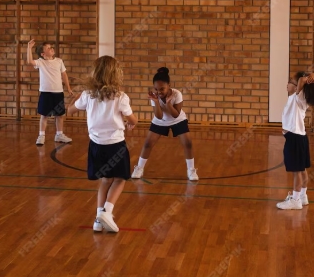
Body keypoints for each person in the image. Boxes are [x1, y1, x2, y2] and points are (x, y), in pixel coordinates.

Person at [68, 56, 138, 233]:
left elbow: (69, 111)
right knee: (120, 179)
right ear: (116, 74)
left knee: (105, 180)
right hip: (115, 145)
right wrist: (131, 123)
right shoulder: (120, 96)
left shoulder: (87, 95)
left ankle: (98, 221)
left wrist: (75, 99)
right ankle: (107, 211)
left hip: (96, 145)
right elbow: (132, 119)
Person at [131, 67, 198, 181]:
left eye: (162, 89)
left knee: (188, 143)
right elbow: (159, 116)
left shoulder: (177, 94)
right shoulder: (154, 96)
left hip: (178, 119)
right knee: (148, 144)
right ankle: (139, 168)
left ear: (169, 86)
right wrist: (156, 102)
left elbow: (175, 114)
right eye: (156, 89)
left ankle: (191, 170)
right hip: (160, 121)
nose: (159, 92)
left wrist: (168, 104)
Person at [277, 72, 314, 210]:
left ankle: (295, 200)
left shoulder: (299, 97)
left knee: (297, 171)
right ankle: (302, 196)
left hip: (295, 138)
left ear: (298, 87)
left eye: (291, 81)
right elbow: (304, 80)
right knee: (301, 170)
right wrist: (312, 78)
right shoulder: (296, 98)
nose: (288, 84)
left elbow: (302, 79)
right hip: (299, 138)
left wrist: (310, 77)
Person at [27, 39, 73, 145]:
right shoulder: (41, 62)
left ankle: (59, 134)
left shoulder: (59, 61)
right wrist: (29, 48)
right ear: (43, 54)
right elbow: (30, 61)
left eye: (51, 47)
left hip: (58, 93)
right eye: (48, 48)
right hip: (46, 93)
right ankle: (41, 135)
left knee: (59, 115)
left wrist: (68, 88)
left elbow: (64, 75)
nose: (51, 48)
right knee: (44, 115)